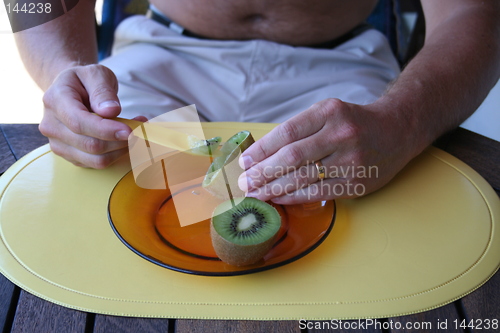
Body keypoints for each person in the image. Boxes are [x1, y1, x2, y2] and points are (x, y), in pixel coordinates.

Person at [14, 0, 500, 204]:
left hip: (342, 69)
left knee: (370, 226)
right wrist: (63, 72)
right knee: (109, 196)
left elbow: (475, 9)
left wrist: (403, 120)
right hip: (164, 59)